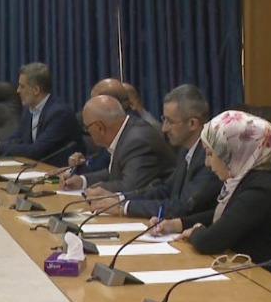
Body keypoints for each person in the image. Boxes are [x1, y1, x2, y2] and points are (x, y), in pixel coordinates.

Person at [152, 110, 271, 272]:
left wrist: (195, 231)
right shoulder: (242, 179)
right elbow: (226, 216)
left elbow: (208, 242)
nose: (207, 163)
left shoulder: (261, 190)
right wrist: (177, 224)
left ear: (233, 152)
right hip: (242, 271)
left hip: (268, 279)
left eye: (210, 154)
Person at [86, 84, 222, 218]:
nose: (164, 128)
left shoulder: (210, 159)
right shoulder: (186, 150)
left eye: (170, 121)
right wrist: (118, 198)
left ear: (192, 123)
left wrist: (123, 207)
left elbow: (182, 206)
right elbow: (165, 190)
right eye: (164, 119)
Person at [0, 62, 83, 166]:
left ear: (36, 90)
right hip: (36, 169)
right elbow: (16, 139)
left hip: (59, 173)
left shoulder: (59, 113)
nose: (18, 90)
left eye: (22, 86)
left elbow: (36, 151)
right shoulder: (30, 110)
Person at [60, 95, 175, 193]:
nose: (87, 132)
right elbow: (116, 173)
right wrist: (82, 181)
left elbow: (129, 188)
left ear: (100, 127)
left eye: (87, 128)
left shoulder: (137, 141)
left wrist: (94, 189)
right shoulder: (126, 130)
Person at [69, 78, 131, 174]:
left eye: (95, 102)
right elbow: (100, 160)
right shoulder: (113, 122)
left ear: (109, 102)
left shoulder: (126, 131)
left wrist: (76, 172)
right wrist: (85, 161)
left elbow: (104, 168)